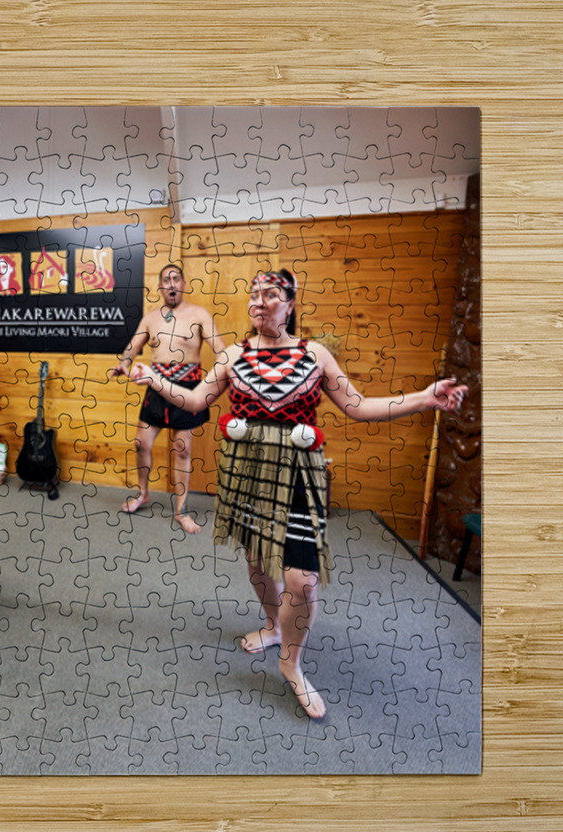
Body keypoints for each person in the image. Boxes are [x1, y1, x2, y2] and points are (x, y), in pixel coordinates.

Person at [130, 269, 466, 719]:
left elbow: (359, 406)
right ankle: (272, 626)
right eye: (253, 295)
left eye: (270, 294)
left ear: (290, 303)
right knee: (256, 560)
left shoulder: (314, 355)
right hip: (247, 473)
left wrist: (424, 398)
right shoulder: (233, 355)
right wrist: (154, 378)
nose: (258, 302)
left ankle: (291, 664)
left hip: (299, 477)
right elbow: (194, 402)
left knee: (302, 582)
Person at [109, 263, 223, 534]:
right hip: (156, 387)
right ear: (160, 287)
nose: (171, 284)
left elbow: (221, 351)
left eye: (176, 278)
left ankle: (181, 511)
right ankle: (143, 493)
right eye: (165, 280)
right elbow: (132, 348)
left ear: (183, 283)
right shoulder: (150, 318)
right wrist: (124, 363)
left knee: (183, 451)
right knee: (140, 443)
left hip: (188, 389)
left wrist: (214, 381)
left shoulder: (199, 314)